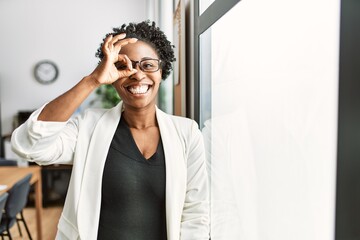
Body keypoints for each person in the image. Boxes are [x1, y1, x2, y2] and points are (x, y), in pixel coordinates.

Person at [11, 20, 209, 240]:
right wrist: (92, 80)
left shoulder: (187, 133)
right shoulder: (89, 126)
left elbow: (195, 212)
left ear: (161, 71)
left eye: (148, 65)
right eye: (124, 66)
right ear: (111, 76)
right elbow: (30, 145)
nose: (137, 74)